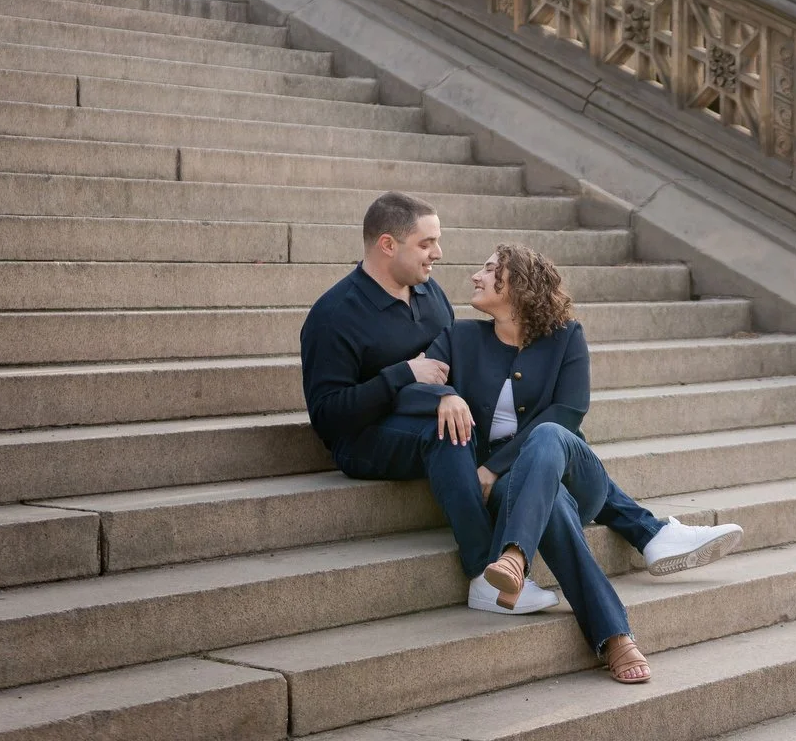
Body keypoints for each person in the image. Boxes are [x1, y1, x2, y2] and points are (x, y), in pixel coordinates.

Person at [399, 243, 744, 684]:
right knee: (552, 505)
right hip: (523, 493)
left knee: (548, 436)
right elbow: (408, 390)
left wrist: (490, 468)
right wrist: (444, 395)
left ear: (518, 285)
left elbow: (568, 413)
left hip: (576, 474)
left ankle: (514, 555)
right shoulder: (460, 337)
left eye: (489, 270)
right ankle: (615, 637)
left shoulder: (567, 337)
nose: (476, 276)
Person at [298, 191, 558, 615]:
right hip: (364, 438)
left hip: (433, 413)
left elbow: (453, 365)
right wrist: (403, 375)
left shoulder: (429, 294)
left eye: (436, 241)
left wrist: (445, 394)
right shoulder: (334, 315)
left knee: (534, 434)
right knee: (449, 435)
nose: (438, 253)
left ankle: (638, 528)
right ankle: (483, 577)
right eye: (426, 243)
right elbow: (328, 417)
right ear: (387, 245)